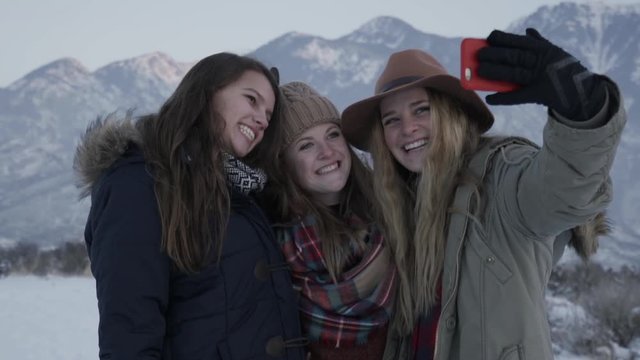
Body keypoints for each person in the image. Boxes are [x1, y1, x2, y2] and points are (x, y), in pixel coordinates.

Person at [341, 28, 625, 359]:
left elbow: (565, 190)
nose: (407, 128)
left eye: (422, 110)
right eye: (392, 120)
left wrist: (583, 105)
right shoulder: (393, 210)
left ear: (450, 114)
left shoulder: (500, 177)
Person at [73, 53, 306, 359]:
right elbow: (130, 332)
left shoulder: (243, 191)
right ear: (207, 92)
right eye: (251, 100)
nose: (262, 119)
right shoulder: (138, 183)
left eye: (268, 114)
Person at [259, 82, 397, 360]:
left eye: (333, 135)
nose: (327, 152)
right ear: (284, 164)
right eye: (306, 145)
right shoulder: (273, 249)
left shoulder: (393, 213)